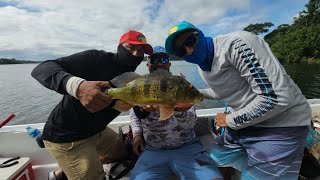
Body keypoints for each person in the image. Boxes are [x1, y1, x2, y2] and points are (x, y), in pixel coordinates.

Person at [165, 21, 312, 180]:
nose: (189, 50)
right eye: (181, 51)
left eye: (189, 42)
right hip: (244, 125)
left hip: (281, 125)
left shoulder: (236, 45)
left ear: (199, 34)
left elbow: (276, 97)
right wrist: (191, 93)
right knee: (215, 165)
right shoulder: (202, 68)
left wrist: (230, 120)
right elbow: (222, 91)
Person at [31, 30, 153, 180]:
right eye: (130, 48)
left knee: (125, 153)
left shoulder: (132, 79)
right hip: (68, 138)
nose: (135, 54)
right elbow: (42, 68)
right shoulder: (97, 59)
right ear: (120, 47)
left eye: (141, 51)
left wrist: (144, 111)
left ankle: (61, 174)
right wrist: (77, 86)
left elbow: (134, 107)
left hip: (98, 131)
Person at [129, 46, 223, 180]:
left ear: (169, 63)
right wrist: (137, 136)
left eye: (163, 59)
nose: (160, 63)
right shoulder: (140, 85)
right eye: (155, 60)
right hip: (153, 150)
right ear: (148, 64)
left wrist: (180, 111)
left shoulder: (181, 85)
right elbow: (134, 115)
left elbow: (190, 123)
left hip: (188, 147)